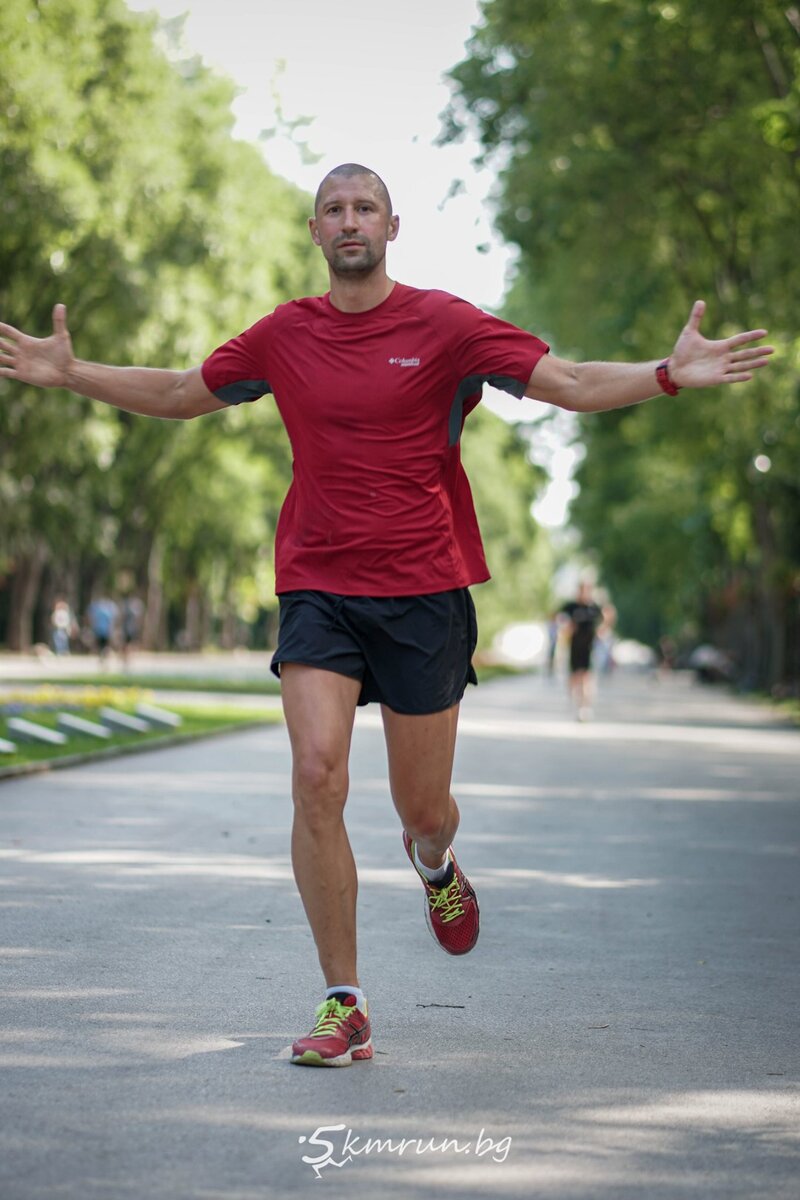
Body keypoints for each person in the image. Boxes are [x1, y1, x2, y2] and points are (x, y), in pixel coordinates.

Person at [0, 163, 773, 1067]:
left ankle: (436, 866)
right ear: (316, 232)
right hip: (318, 586)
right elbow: (179, 394)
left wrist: (664, 374)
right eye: (333, 209)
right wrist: (74, 373)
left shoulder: (445, 324)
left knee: (422, 809)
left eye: (365, 206)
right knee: (316, 775)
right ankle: (345, 1001)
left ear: (393, 227)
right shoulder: (285, 334)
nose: (349, 220)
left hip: (424, 592)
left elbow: (564, 381)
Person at [560, 582, 606, 720]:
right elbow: (558, 618)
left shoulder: (594, 608)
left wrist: (601, 630)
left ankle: (585, 707)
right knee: (575, 677)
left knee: (586, 677)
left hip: (589, 648)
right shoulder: (571, 607)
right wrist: (566, 627)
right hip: (574, 647)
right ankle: (573, 700)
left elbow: (607, 616)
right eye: (581, 590)